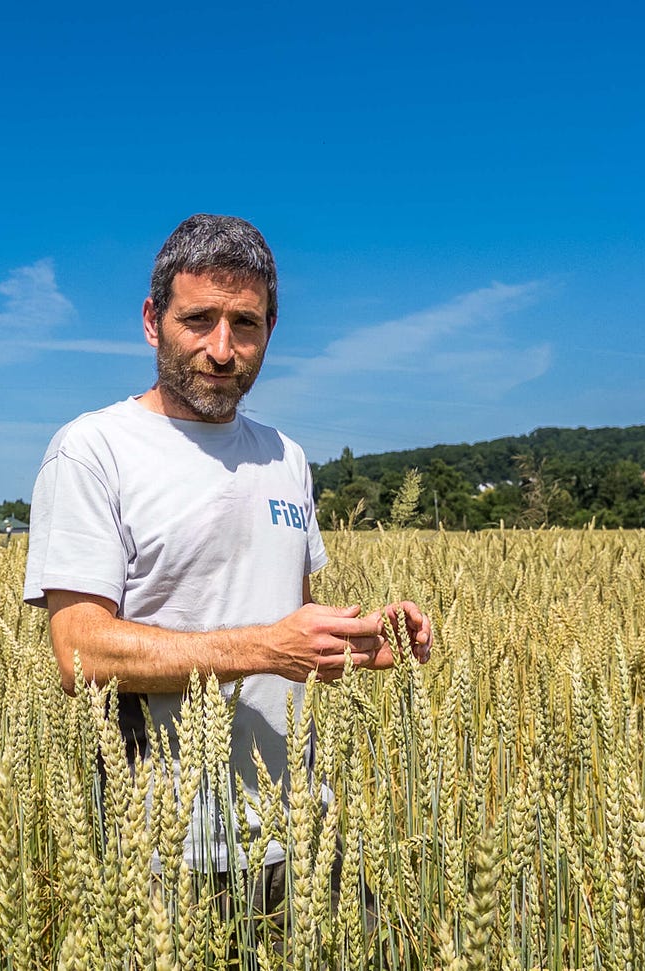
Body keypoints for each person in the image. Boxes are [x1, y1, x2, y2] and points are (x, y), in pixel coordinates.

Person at [21, 213, 432, 937]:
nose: (221, 348)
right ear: (153, 321)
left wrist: (360, 639)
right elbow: (80, 651)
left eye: (244, 323)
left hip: (302, 828)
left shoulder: (287, 457)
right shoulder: (92, 450)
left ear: (271, 327)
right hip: (162, 854)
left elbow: (287, 615)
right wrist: (268, 648)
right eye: (198, 319)